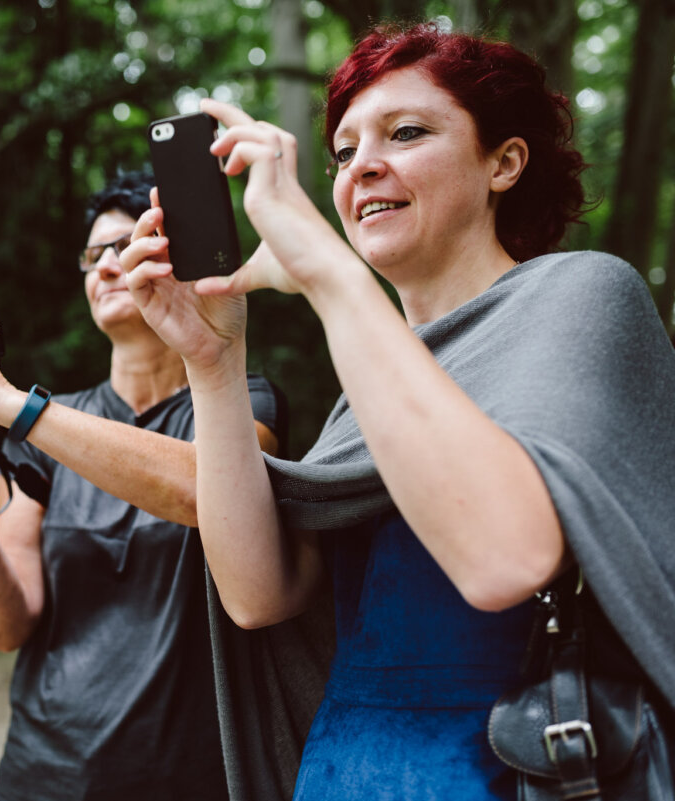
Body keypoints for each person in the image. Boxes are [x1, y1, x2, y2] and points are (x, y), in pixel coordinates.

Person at [121, 22, 675, 800]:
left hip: (517, 774)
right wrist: (213, 363)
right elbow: (259, 595)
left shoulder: (586, 292)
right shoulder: (371, 374)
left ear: (504, 163)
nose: (362, 168)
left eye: (406, 132)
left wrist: (326, 271)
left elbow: (503, 560)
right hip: (344, 773)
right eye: (344, 152)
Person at [0, 171, 297, 801]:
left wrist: (10, 405)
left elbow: (204, 492)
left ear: (176, 260)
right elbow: (7, 626)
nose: (105, 267)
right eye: (91, 256)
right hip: (42, 773)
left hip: (191, 777)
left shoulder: (244, 403)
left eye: (122, 248)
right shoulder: (43, 433)